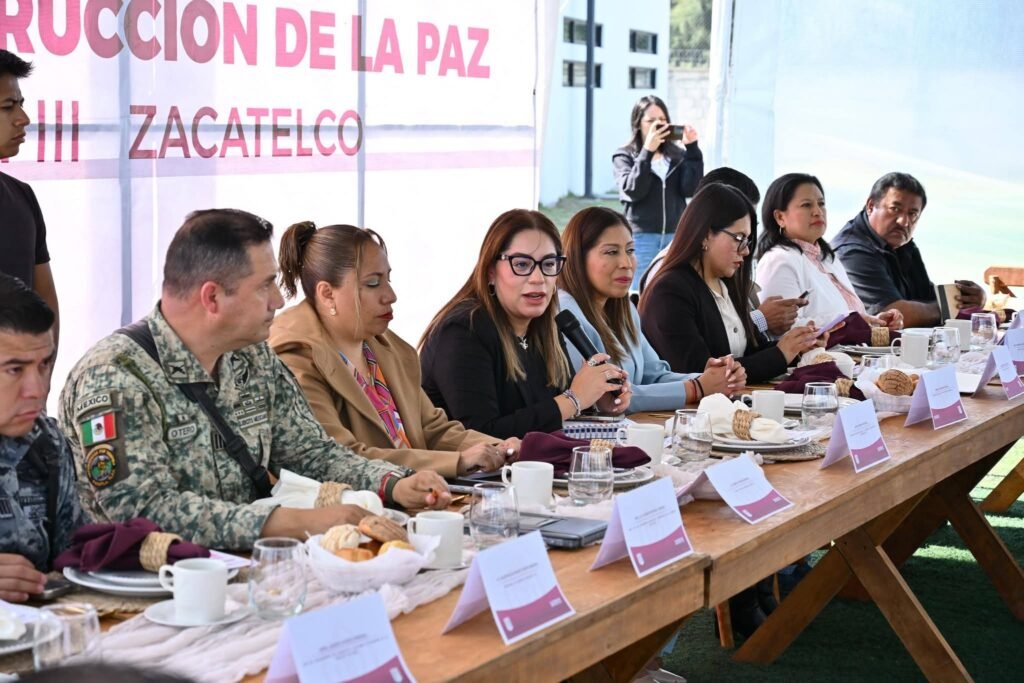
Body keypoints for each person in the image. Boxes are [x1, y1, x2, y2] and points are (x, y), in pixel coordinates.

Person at [59, 209, 450, 551]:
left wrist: (394, 483)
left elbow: (310, 452)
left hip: (248, 569)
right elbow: (144, 512)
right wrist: (292, 523)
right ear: (212, 298)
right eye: (265, 285)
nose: (278, 300)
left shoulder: (252, 355)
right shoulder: (114, 376)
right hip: (149, 591)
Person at [269, 221, 518, 478]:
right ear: (327, 294)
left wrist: (499, 448)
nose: (391, 294)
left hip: (419, 494)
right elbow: (342, 459)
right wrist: (458, 461)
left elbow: (433, 429)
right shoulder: (295, 359)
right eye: (373, 283)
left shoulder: (385, 347)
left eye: (387, 279)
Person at [420, 209, 631, 439]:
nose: (538, 278)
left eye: (548, 264)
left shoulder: (545, 327)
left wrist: (597, 401)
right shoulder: (462, 331)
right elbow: (481, 435)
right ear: (490, 271)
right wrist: (574, 399)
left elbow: (554, 417)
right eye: (521, 264)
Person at [557, 206, 746, 412]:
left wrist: (711, 378)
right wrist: (696, 388)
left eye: (630, 250)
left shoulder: (624, 310)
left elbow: (654, 374)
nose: (626, 263)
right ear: (577, 257)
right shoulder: (566, 314)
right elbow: (610, 396)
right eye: (611, 252)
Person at [639, 183, 820, 383]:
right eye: (739, 238)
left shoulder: (727, 282)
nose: (746, 250)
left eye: (748, 240)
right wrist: (781, 354)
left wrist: (798, 347)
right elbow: (700, 373)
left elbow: (751, 352)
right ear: (706, 235)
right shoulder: (670, 291)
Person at [640, 166, 804, 338]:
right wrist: (761, 320)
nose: (746, 249)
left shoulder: (718, 267)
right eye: (739, 235)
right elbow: (709, 343)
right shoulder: (669, 278)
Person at [0, 274, 84, 602]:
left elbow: (74, 563)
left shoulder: (45, 442)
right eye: (14, 369)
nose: (37, 389)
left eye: (44, 365)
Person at [831, 172, 985, 327]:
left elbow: (926, 297)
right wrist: (952, 307)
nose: (904, 222)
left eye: (912, 214)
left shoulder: (903, 245)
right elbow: (893, 315)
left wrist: (971, 299)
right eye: (894, 209)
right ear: (871, 206)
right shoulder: (851, 251)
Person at [755, 173, 904, 332]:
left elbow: (846, 316)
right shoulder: (779, 260)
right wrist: (851, 322)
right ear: (780, 217)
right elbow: (784, 328)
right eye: (806, 205)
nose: (817, 211)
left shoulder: (828, 259)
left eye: (821, 203)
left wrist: (875, 322)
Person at [613, 95, 703, 290]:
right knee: (639, 291)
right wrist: (647, 152)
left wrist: (692, 149)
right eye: (652, 121)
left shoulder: (677, 155)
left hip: (675, 236)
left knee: (674, 290)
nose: (659, 125)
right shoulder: (625, 156)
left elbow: (691, 189)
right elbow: (632, 190)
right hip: (641, 238)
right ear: (638, 124)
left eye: (662, 120)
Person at [0, 50, 59, 348]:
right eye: (8, 107)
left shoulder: (22, 196)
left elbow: (45, 303)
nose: (23, 119)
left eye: (21, 104)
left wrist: (40, 369)